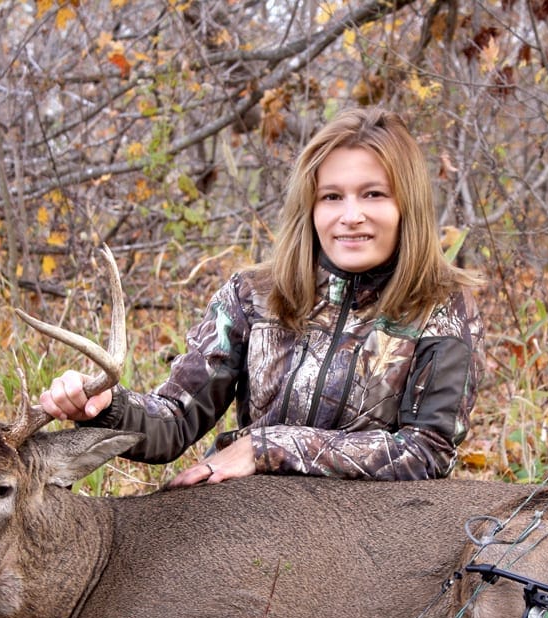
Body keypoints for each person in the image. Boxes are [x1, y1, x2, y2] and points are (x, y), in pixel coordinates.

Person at [39, 107, 483, 488]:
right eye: (331, 197)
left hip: (363, 541)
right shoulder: (253, 294)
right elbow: (175, 420)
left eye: (373, 194)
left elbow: (425, 452)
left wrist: (265, 447)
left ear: (407, 205)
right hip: (246, 520)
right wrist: (103, 404)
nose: (351, 216)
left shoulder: (440, 306)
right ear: (310, 209)